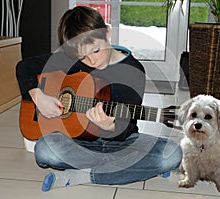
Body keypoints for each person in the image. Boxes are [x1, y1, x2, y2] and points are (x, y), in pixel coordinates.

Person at [16, 6, 182, 192]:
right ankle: (129, 169)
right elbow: (25, 66)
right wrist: (38, 97)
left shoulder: (133, 71)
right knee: (44, 150)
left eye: (96, 51)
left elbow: (125, 128)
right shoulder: (71, 60)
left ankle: (83, 174)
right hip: (77, 141)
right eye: (83, 57)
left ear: (107, 32)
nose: (92, 62)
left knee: (172, 154)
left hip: (123, 143)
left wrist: (111, 127)